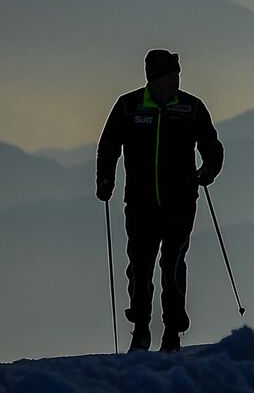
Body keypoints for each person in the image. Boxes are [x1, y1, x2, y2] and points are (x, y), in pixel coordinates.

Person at [96, 49, 224, 353]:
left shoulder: (191, 108)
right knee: (140, 267)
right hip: (140, 206)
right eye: (170, 74)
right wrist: (105, 179)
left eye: (177, 74)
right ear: (153, 78)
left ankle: (172, 334)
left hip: (180, 204)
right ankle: (140, 330)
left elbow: (212, 146)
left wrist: (208, 170)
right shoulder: (129, 107)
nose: (176, 80)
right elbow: (109, 144)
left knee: (173, 265)